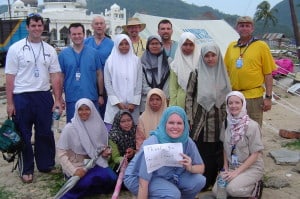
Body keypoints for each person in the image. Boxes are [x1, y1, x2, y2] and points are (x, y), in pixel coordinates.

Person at [5, 13, 63, 183]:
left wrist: (57, 99)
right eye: (33, 25)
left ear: (42, 27)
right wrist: (10, 103)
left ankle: (46, 164)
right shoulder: (16, 48)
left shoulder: (49, 50)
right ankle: (27, 168)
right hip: (22, 96)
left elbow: (55, 76)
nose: (37, 28)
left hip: (43, 95)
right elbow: (9, 78)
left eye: (39, 25)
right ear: (27, 27)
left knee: (45, 132)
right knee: (23, 133)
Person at [124, 106, 206, 199]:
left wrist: (190, 167)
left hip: (171, 176)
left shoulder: (187, 141)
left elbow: (201, 168)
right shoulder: (152, 144)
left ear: (185, 125)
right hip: (140, 178)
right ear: (164, 124)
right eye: (171, 123)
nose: (175, 127)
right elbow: (143, 182)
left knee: (199, 180)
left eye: (179, 123)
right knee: (172, 194)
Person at [185, 42, 232, 190]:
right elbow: (189, 97)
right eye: (207, 56)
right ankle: (202, 182)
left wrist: (228, 118)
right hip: (201, 120)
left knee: (218, 149)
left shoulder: (223, 73)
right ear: (202, 57)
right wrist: (190, 117)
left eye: (213, 55)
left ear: (218, 56)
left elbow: (228, 97)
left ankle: (215, 181)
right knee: (202, 150)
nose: (210, 59)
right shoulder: (196, 73)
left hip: (219, 118)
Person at [56, 98, 117, 198]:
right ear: (76, 110)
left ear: (92, 110)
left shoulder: (97, 125)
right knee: (84, 182)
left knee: (111, 177)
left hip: (92, 164)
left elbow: (100, 151)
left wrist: (105, 154)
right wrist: (74, 171)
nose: (84, 112)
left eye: (87, 109)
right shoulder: (70, 128)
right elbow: (61, 153)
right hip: (75, 165)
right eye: (80, 109)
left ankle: (89, 189)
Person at [224, 16, 276, 127]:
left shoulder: (261, 46)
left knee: (253, 129)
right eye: (241, 26)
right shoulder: (231, 47)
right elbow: (226, 72)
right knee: (235, 129)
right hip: (235, 97)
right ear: (237, 28)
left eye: (247, 26)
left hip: (253, 96)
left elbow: (268, 74)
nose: (244, 28)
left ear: (252, 29)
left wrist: (268, 97)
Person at [212, 91, 264, 198]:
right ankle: (237, 182)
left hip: (251, 167)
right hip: (232, 166)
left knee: (233, 190)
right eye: (230, 103)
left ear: (243, 104)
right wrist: (225, 168)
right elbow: (225, 148)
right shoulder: (227, 123)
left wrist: (236, 173)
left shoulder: (252, 126)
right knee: (217, 192)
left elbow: (256, 154)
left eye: (237, 103)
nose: (233, 106)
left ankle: (255, 186)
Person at [59, 23, 104, 122]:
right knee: (73, 128)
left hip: (91, 97)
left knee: (92, 128)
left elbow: (99, 74)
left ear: (84, 34)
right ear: (70, 36)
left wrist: (100, 95)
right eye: (74, 34)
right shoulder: (63, 55)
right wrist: (59, 98)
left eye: (79, 34)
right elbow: (60, 77)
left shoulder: (94, 53)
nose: (77, 36)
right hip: (72, 98)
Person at [104, 34, 142, 130]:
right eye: (121, 44)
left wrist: (133, 102)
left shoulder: (136, 61)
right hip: (115, 106)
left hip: (132, 106)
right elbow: (108, 83)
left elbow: (139, 82)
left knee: (132, 133)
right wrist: (117, 103)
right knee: (114, 134)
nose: (124, 46)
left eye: (126, 43)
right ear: (116, 45)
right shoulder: (110, 61)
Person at [84, 16, 114, 119]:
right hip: (89, 82)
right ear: (92, 26)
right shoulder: (86, 43)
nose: (99, 26)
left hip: (106, 84)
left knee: (104, 113)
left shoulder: (112, 44)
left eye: (101, 23)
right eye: (96, 24)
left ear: (105, 26)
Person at [169, 32, 200, 108]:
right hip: (181, 103)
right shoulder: (175, 65)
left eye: (191, 44)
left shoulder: (200, 63)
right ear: (180, 45)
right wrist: (173, 108)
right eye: (185, 44)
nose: (188, 47)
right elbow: (173, 89)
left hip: (198, 102)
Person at [140, 35, 170, 112]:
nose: (154, 46)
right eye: (152, 44)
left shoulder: (168, 62)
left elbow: (168, 82)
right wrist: (154, 97)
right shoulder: (141, 62)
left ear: (161, 45)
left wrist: (161, 98)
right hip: (146, 101)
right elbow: (143, 84)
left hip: (164, 100)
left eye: (157, 43)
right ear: (147, 46)